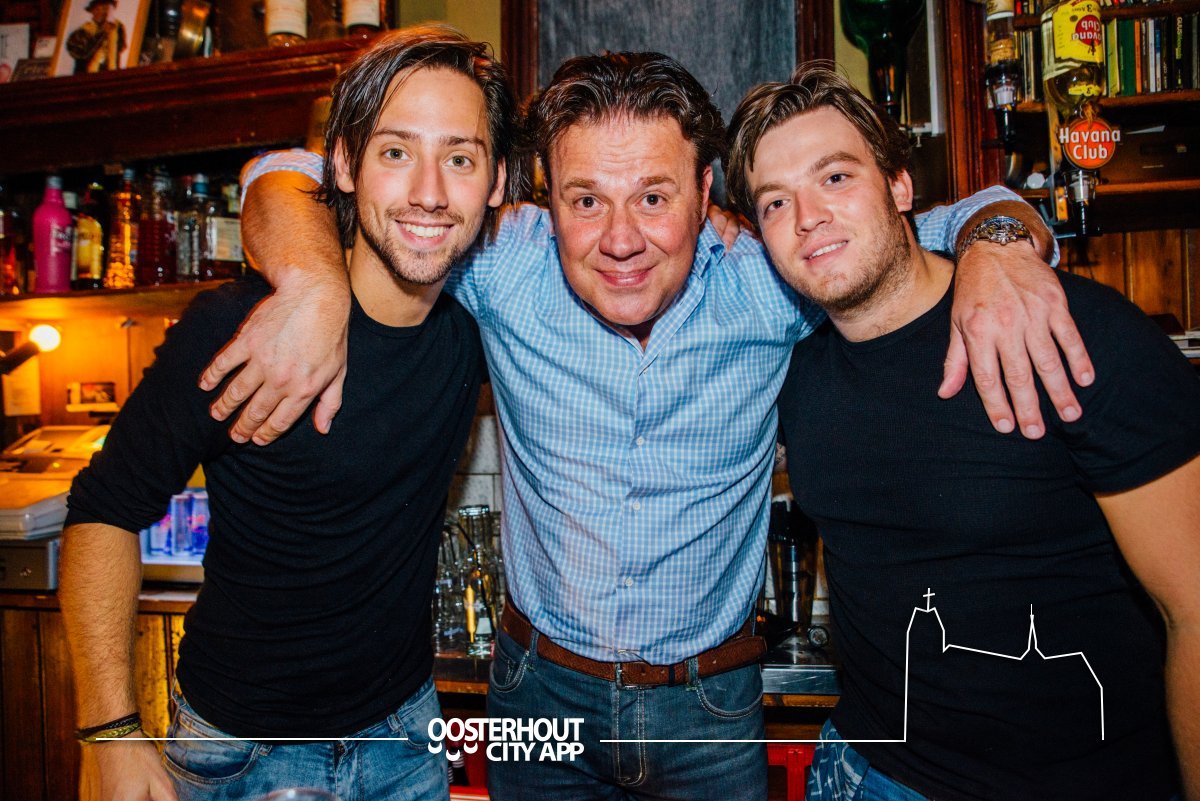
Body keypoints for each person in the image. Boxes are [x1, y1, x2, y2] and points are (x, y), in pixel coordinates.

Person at [225, 51, 1090, 800]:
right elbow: (281, 171)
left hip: (707, 703)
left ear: (706, 191)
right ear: (542, 200)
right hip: (537, 693)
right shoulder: (501, 259)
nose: (621, 238)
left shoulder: (771, 277)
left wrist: (997, 247)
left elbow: (946, 217)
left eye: (653, 196)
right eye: (586, 200)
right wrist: (313, 281)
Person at [58, 27, 519, 801]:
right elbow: (102, 510)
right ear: (343, 165)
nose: (430, 192)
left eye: (461, 159)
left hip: (406, 741)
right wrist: (109, 732)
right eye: (396, 152)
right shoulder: (241, 326)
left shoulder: (476, 328)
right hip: (241, 753)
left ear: (497, 180)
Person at [725, 63, 1200, 801]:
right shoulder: (794, 374)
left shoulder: (1066, 333)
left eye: (836, 177)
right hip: (867, 775)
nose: (807, 216)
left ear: (900, 187)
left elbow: (1192, 606)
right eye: (776, 201)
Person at [67, 0, 126, 74]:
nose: (101, 12)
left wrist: (112, 33)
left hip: (108, 76)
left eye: (105, 9)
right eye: (97, 9)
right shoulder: (82, 32)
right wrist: (102, 33)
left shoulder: (116, 30)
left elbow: (120, 48)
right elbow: (83, 53)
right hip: (85, 77)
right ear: (92, 11)